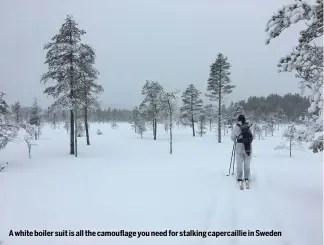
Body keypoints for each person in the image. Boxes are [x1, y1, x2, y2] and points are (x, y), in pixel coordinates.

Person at [231, 114, 253, 184]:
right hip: (248, 146)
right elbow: (252, 136)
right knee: (247, 162)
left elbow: (232, 138)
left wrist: (236, 139)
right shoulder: (248, 126)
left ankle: (239, 177)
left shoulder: (236, 127)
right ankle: (247, 177)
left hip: (239, 146)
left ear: (238, 120)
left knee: (239, 162)